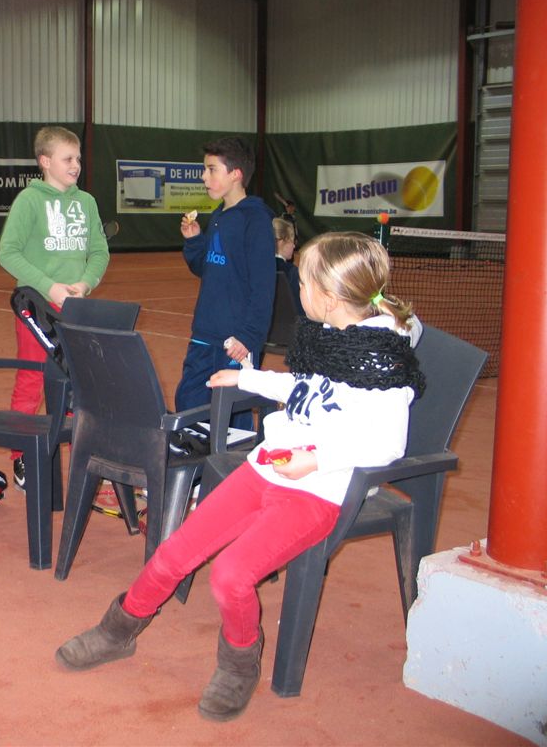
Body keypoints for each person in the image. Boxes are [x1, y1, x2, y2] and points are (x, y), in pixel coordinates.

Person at [55, 231, 425, 722]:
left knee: (231, 576)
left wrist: (316, 460)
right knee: (173, 553)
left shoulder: (382, 365)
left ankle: (239, 664)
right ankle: (117, 630)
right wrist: (247, 377)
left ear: (330, 297)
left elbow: (387, 445)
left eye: (303, 282)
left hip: (316, 493)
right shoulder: (335, 336)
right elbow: (305, 387)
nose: (297, 289)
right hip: (266, 469)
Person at [0, 126, 110, 490]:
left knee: (79, 385)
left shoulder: (87, 202)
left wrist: (84, 284)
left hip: (75, 307)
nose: (76, 165)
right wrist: (49, 288)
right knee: (32, 380)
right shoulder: (29, 201)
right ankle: (23, 457)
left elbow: (100, 252)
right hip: (36, 307)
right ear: (45, 162)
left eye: (78, 159)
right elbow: (7, 253)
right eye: (67, 159)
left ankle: (82, 457)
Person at [175, 137, 275, 429]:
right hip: (205, 332)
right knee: (189, 402)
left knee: (233, 415)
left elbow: (264, 285)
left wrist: (249, 336)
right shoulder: (219, 216)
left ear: (235, 174)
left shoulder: (255, 220)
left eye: (211, 169)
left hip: (236, 342)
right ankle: (195, 457)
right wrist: (195, 240)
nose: (204, 177)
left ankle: (234, 459)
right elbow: (205, 267)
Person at [273, 216, 305, 316]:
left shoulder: (255, 268)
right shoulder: (291, 272)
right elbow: (299, 309)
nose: (294, 246)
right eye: (291, 241)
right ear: (281, 242)